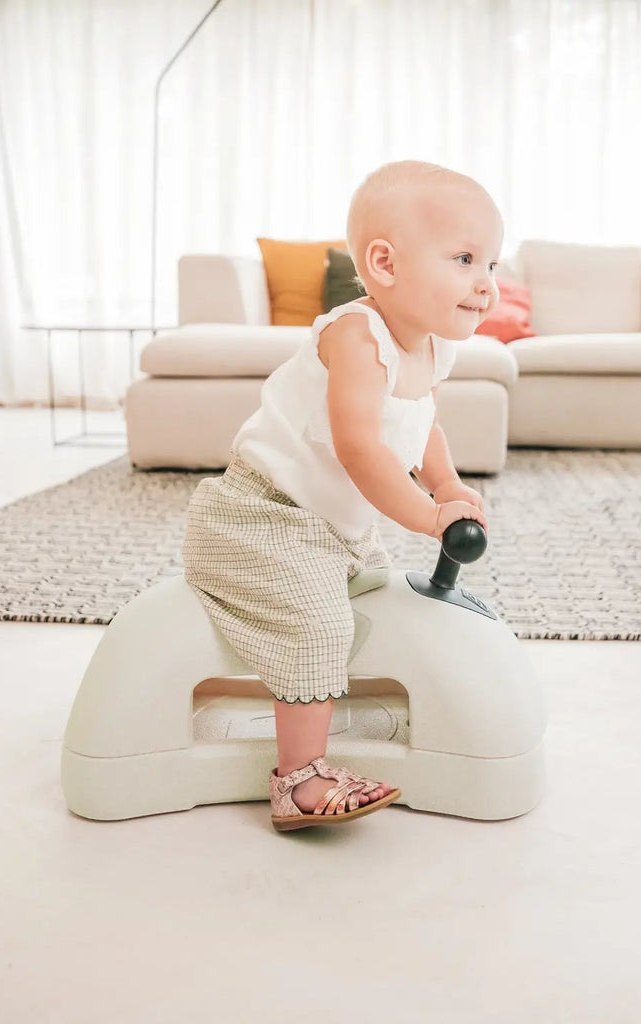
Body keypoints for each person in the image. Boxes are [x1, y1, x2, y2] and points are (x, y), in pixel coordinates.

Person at [182, 160, 502, 831]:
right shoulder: (354, 336)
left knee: (377, 597)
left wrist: (444, 483)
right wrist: (426, 514)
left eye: (493, 264)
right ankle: (298, 780)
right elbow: (360, 448)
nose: (487, 284)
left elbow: (422, 422)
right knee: (317, 622)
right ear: (384, 264)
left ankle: (353, 707)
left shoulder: (433, 347)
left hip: (328, 524)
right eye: (467, 258)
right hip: (263, 515)